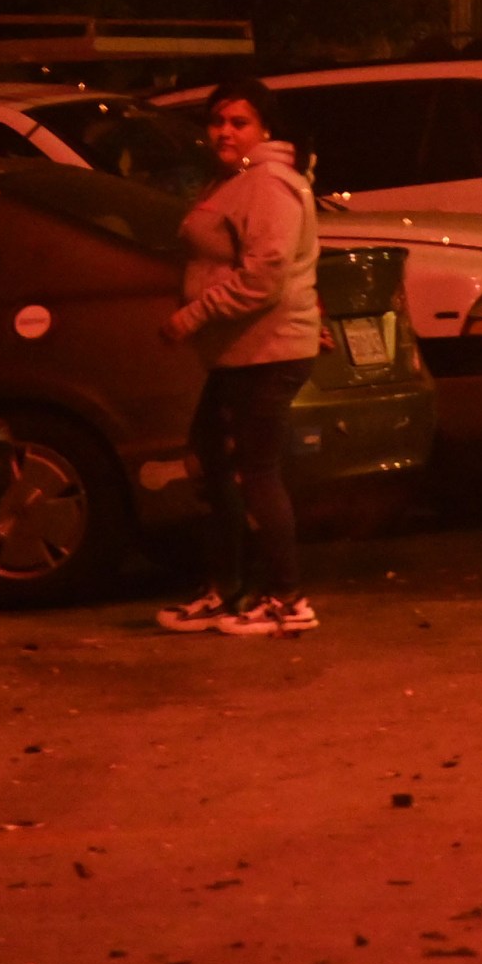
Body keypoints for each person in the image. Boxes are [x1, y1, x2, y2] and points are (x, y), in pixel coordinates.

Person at [153, 80, 325, 637]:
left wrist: (191, 316)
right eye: (217, 121)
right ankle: (226, 589)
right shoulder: (237, 180)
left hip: (265, 351)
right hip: (241, 352)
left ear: (265, 128)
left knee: (257, 472)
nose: (225, 131)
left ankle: (286, 599)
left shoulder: (269, 184)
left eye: (239, 122)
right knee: (213, 462)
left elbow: (265, 276)